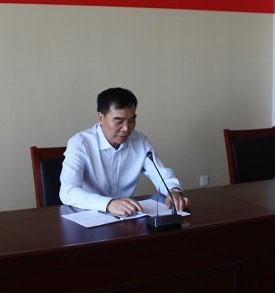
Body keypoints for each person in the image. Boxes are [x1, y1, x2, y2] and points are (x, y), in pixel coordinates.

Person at [59, 87, 190, 216]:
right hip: (88, 216)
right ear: (101, 118)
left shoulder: (140, 142)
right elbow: (68, 191)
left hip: (127, 216)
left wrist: (173, 190)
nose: (126, 128)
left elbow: (161, 174)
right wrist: (109, 204)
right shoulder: (80, 144)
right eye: (119, 121)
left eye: (132, 120)